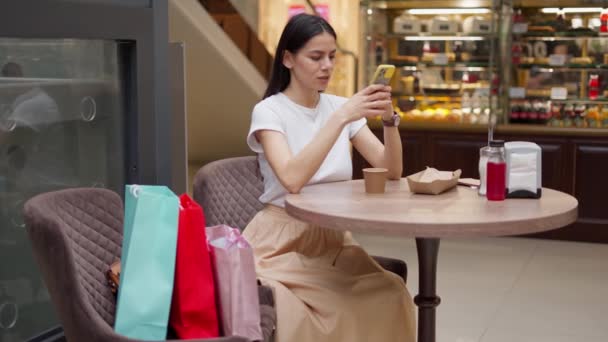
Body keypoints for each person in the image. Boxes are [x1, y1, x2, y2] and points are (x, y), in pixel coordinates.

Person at [244, 14, 415, 342]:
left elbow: (392, 170)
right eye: (316, 57)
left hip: (334, 239)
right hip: (280, 242)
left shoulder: (339, 108)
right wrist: (339, 119)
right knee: (327, 310)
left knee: (391, 291)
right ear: (289, 59)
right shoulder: (269, 111)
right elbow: (292, 179)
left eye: (332, 57)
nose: (327, 66)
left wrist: (390, 120)